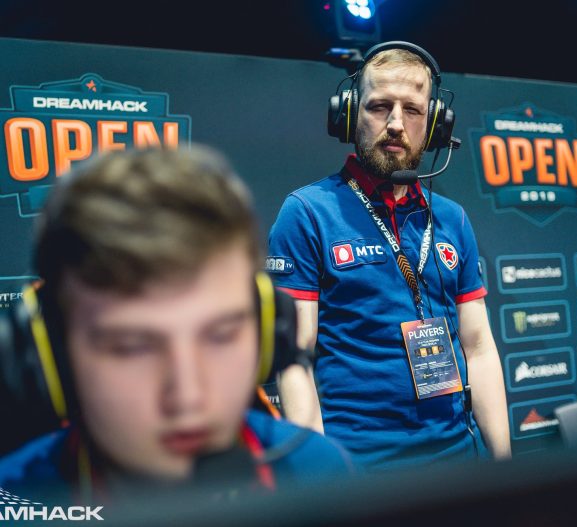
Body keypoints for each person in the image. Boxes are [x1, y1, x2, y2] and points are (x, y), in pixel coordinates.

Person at [0, 145, 352, 506]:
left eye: (221, 336)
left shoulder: (319, 476)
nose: (188, 397)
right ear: (53, 356)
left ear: (267, 332)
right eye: (132, 348)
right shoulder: (12, 505)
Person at [267, 41, 511, 471]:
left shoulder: (451, 218)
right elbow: (295, 363)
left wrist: (504, 465)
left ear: (434, 125)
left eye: (412, 110)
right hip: (361, 472)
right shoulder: (306, 212)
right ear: (349, 115)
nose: (396, 124)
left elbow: (478, 347)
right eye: (380, 106)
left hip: (460, 461)